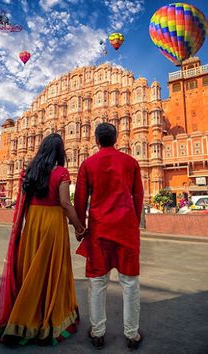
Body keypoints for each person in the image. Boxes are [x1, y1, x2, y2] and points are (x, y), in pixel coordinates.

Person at [0, 133, 85, 346]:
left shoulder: (29, 172)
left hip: (33, 224)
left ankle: (22, 318)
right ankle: (47, 321)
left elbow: (23, 203)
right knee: (52, 270)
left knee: (31, 270)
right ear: (60, 152)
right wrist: (79, 227)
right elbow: (65, 203)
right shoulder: (61, 172)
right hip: (52, 224)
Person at [74, 123, 144, 350]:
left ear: (96, 140)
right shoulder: (131, 163)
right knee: (130, 283)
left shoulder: (88, 164)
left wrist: (79, 227)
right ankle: (132, 335)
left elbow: (81, 200)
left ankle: (98, 332)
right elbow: (138, 197)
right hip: (126, 229)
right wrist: (134, 222)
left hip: (99, 230)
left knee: (97, 282)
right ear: (116, 139)